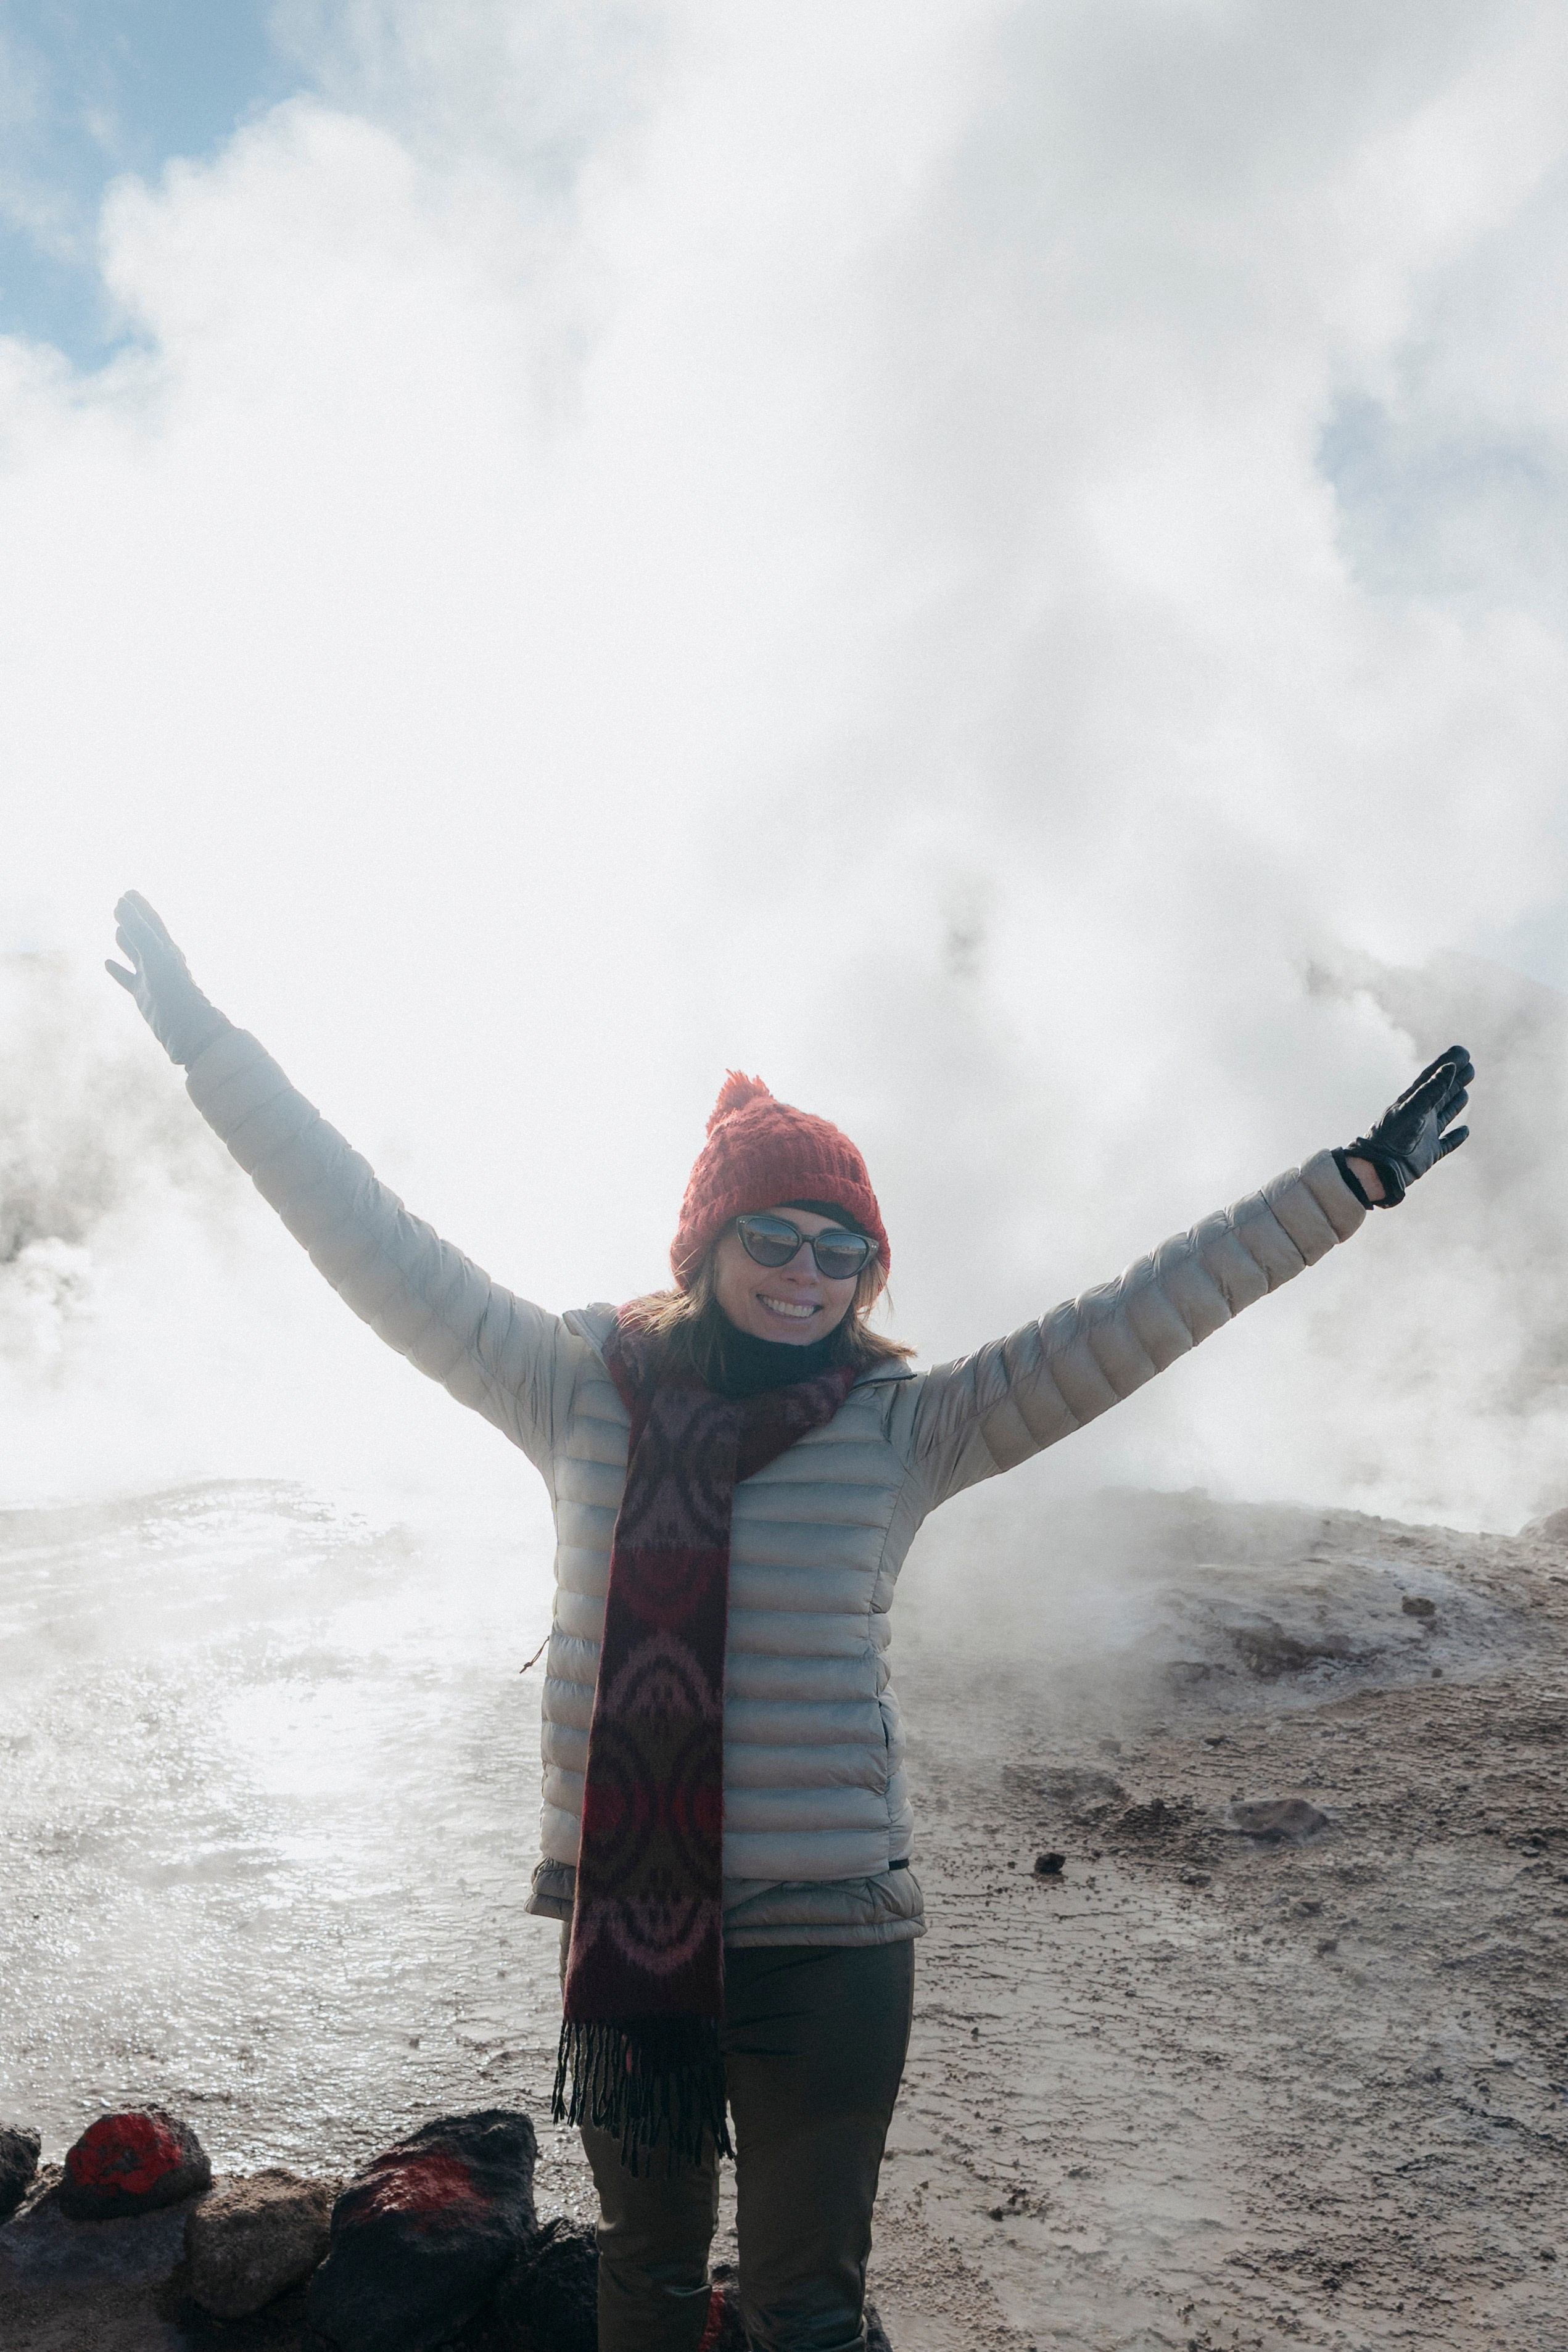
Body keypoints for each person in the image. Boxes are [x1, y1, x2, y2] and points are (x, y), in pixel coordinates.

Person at [106, 889, 1472, 2352]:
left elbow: (1138, 1313)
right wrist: (207, 1047)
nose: (806, 1272)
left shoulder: (909, 1422)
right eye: (776, 1235)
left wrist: (1347, 1184)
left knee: (808, 2306)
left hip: (832, 1943)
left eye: (842, 1251)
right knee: (642, 2280)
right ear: (708, 1238)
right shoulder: (571, 1385)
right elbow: (366, 1231)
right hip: (636, 1944)